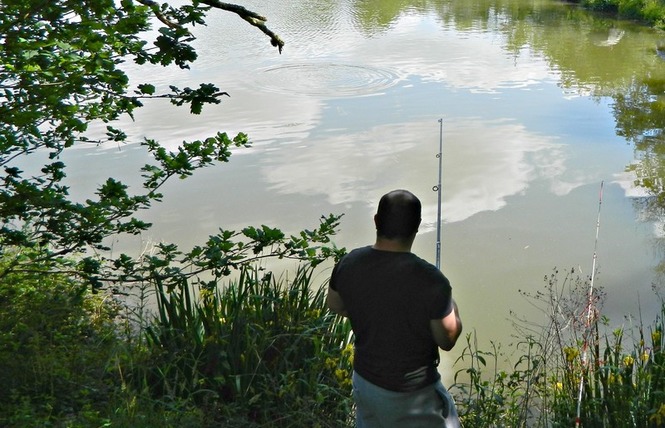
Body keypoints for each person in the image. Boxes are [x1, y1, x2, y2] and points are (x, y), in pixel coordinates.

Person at [326, 189, 463, 428]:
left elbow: (335, 305)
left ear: (377, 221)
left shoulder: (348, 263)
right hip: (413, 396)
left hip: (365, 382)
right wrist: (450, 303)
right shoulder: (431, 281)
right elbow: (447, 338)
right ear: (417, 226)